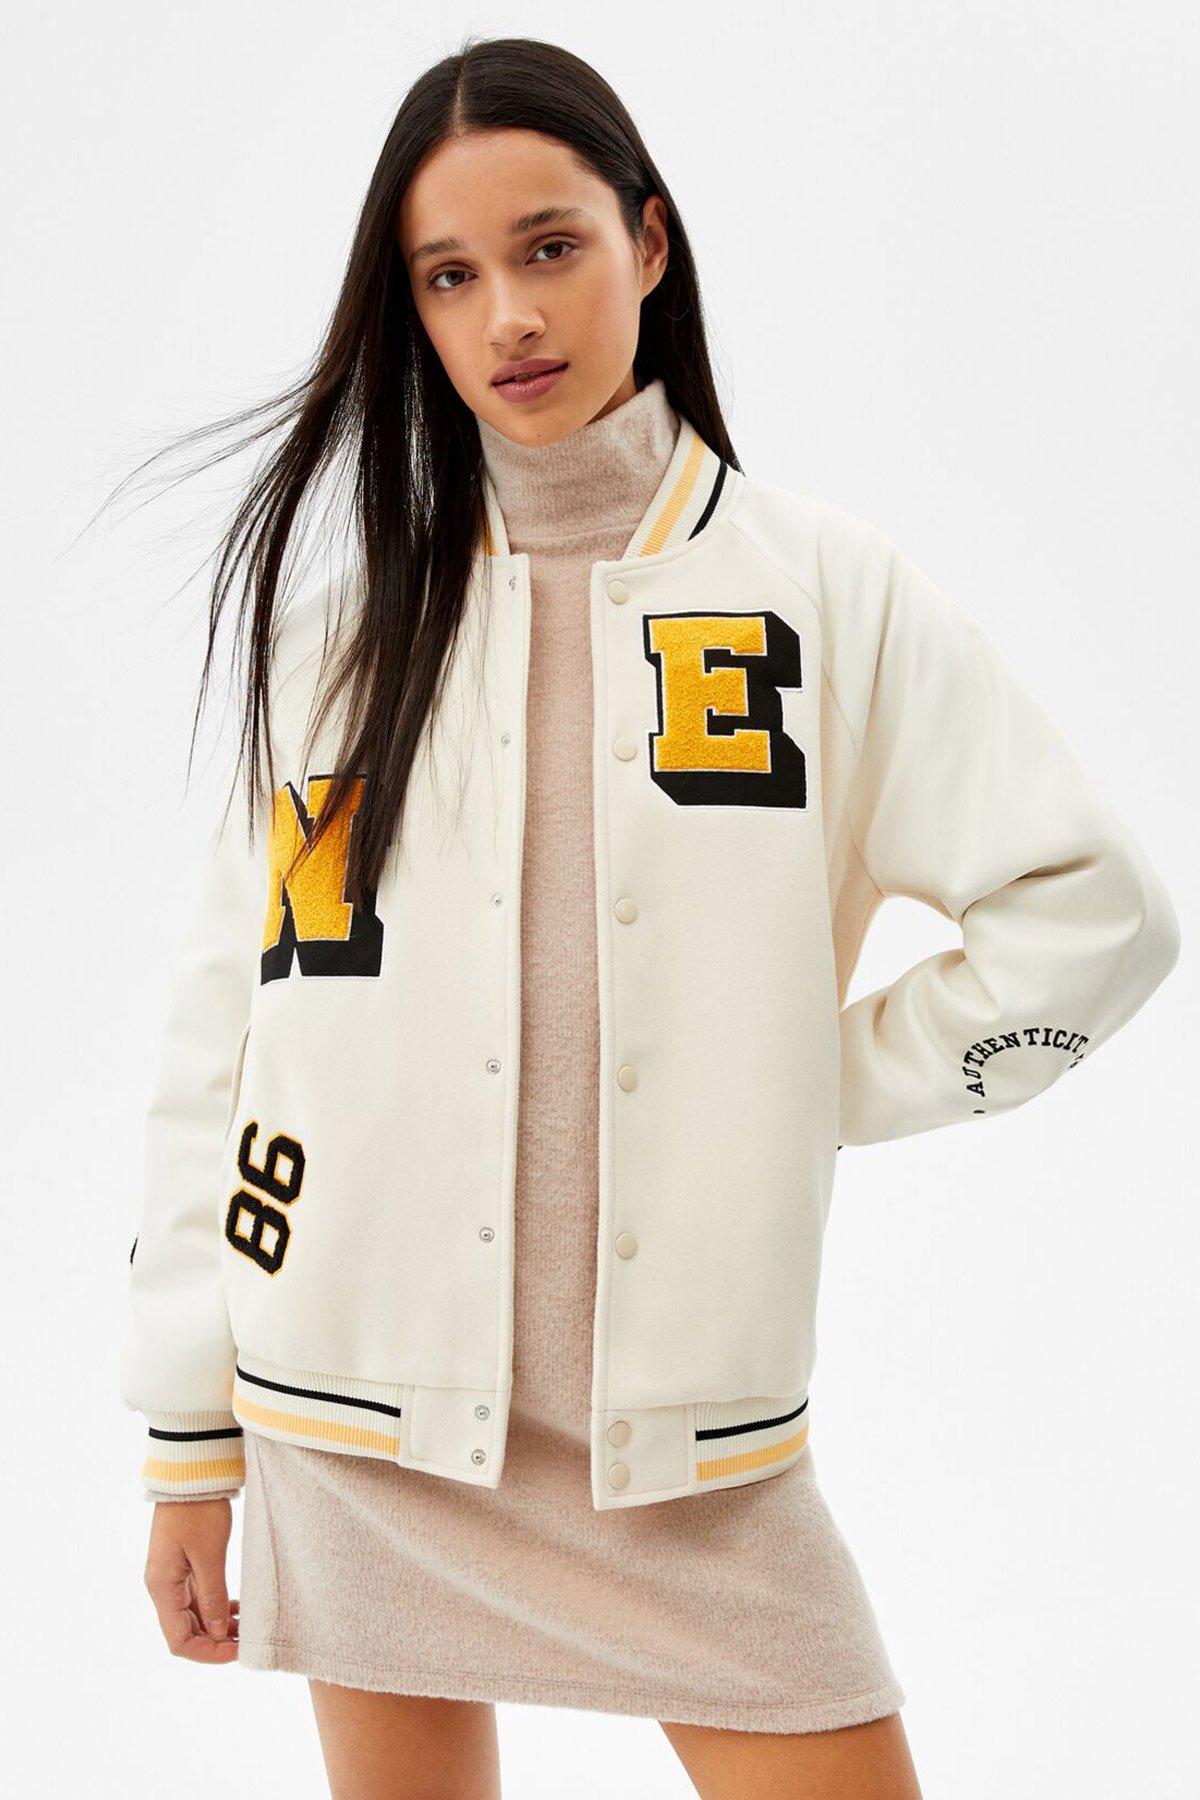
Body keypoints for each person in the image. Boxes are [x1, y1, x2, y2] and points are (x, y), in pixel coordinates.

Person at [119, 35, 1179, 1800]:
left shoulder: (816, 595)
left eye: (551, 247)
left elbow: (1098, 918)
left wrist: (812, 1083)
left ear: (650, 243)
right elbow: (234, 1035)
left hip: (692, 1463)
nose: (510, 317)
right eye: (449, 277)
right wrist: (185, 1438)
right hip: (356, 1420)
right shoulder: (346, 647)